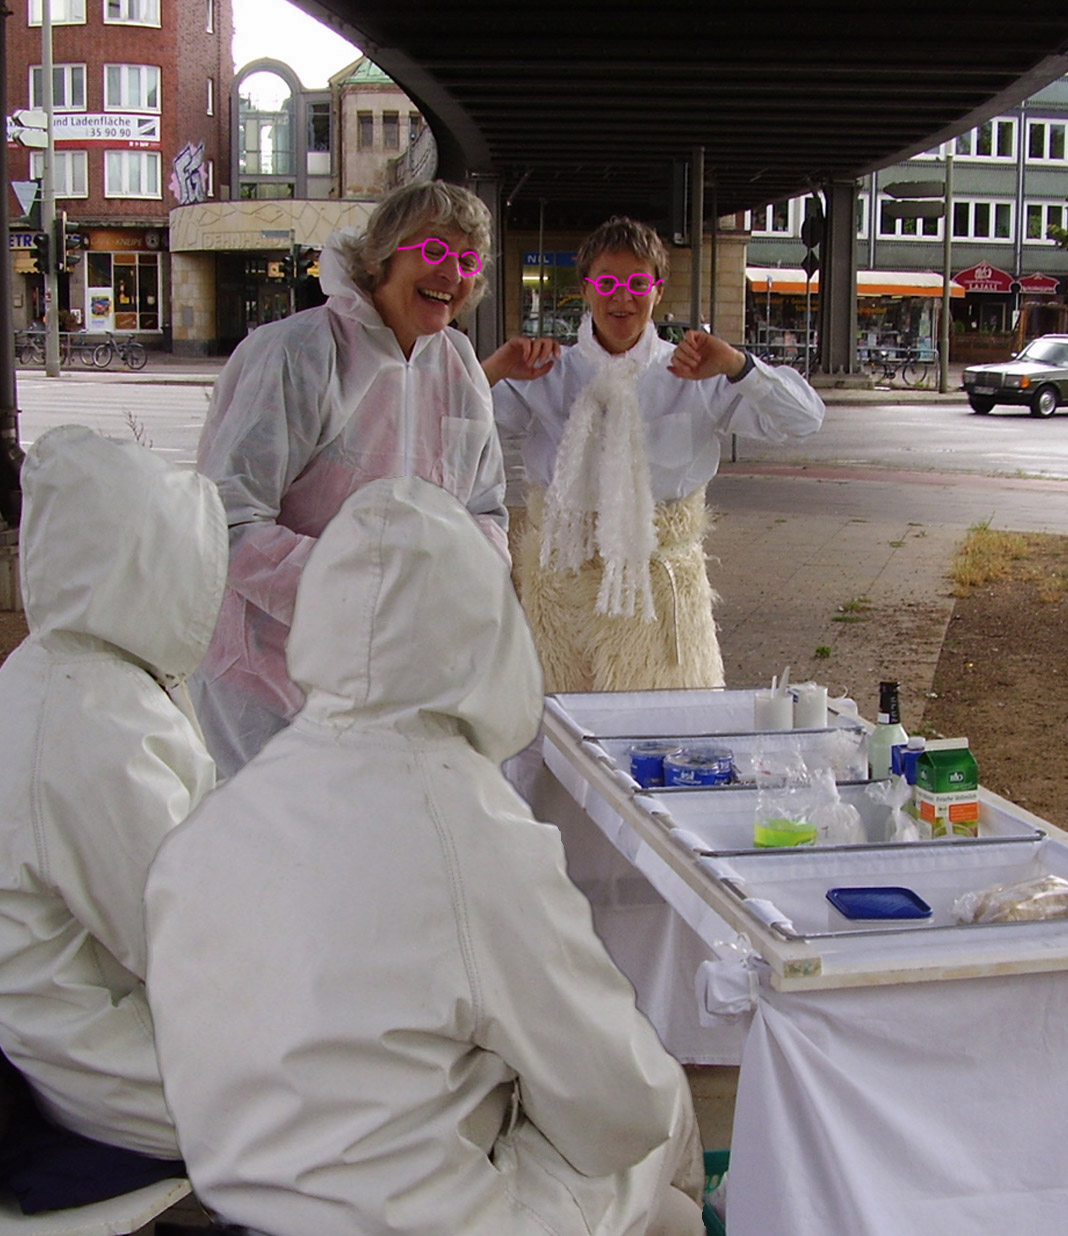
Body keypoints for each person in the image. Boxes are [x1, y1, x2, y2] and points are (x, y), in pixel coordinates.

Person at [145, 476, 706, 1236]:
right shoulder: (468, 827)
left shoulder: (224, 815)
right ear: (484, 631)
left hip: (245, 1194)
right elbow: (613, 1099)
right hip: (417, 1217)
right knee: (662, 1131)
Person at [191, 179, 508, 778]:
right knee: (280, 856)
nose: (452, 273)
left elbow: (485, 509)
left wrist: (458, 589)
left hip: (400, 680)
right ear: (381, 255)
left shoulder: (458, 365)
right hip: (273, 679)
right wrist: (360, 593)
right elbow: (225, 518)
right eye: (434, 251)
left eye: (467, 261)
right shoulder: (296, 353)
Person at [0, 425, 227, 1207]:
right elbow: (184, 939)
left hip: (88, 1026)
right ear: (152, 568)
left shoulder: (70, 671)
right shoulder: (90, 721)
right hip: (105, 1061)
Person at [484, 215, 825, 693]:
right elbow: (454, 421)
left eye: (637, 283)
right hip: (560, 600)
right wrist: (495, 370)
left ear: (658, 290)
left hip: (661, 601)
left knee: (665, 742)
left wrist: (737, 366)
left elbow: (804, 418)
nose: (621, 297)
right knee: (554, 742)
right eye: (606, 282)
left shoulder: (694, 368)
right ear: (585, 289)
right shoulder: (549, 372)